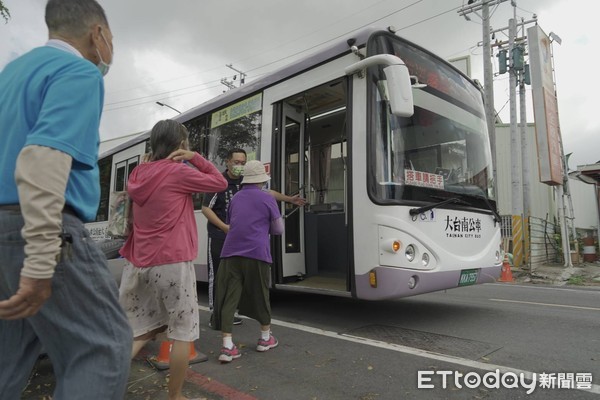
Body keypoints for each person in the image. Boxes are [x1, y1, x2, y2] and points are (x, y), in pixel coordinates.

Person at [0, 1, 133, 398]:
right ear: (98, 34)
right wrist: (42, 261)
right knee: (102, 348)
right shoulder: (79, 72)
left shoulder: (9, 75)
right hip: (42, 226)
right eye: (111, 39)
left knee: (8, 356)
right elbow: (42, 159)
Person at [119, 119, 227, 400]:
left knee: (138, 333)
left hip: (137, 263)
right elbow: (220, 182)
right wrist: (195, 158)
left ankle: (103, 386)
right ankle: (175, 395)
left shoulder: (137, 174)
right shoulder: (178, 172)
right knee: (181, 334)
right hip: (171, 262)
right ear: (181, 144)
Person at [202, 148, 306, 326]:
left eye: (243, 163)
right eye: (236, 162)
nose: (240, 166)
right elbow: (206, 208)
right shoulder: (218, 182)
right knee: (218, 275)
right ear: (227, 162)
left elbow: (268, 193)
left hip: (239, 239)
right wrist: (224, 227)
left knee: (235, 278)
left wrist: (289, 199)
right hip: (220, 235)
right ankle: (215, 315)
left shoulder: (247, 181)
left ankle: (230, 313)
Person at [212, 160, 284, 363]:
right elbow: (278, 230)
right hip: (256, 253)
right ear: (261, 180)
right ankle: (265, 338)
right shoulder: (267, 198)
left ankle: (227, 347)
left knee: (229, 297)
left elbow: (232, 222)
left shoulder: (235, 198)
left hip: (230, 253)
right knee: (261, 294)